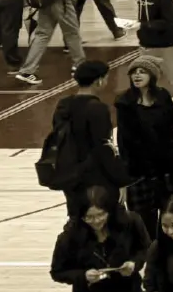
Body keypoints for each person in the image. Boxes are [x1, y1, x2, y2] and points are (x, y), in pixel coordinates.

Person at [40, 60, 120, 218]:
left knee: (76, 216)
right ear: (99, 81)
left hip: (68, 171)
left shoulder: (63, 105)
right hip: (93, 175)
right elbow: (102, 146)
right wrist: (119, 178)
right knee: (99, 219)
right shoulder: (98, 109)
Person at [115, 57, 173, 240]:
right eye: (134, 72)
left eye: (142, 71)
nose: (137, 75)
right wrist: (124, 176)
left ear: (152, 75)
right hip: (140, 173)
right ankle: (152, 260)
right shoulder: (124, 102)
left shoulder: (163, 96)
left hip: (167, 170)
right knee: (144, 225)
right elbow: (124, 141)